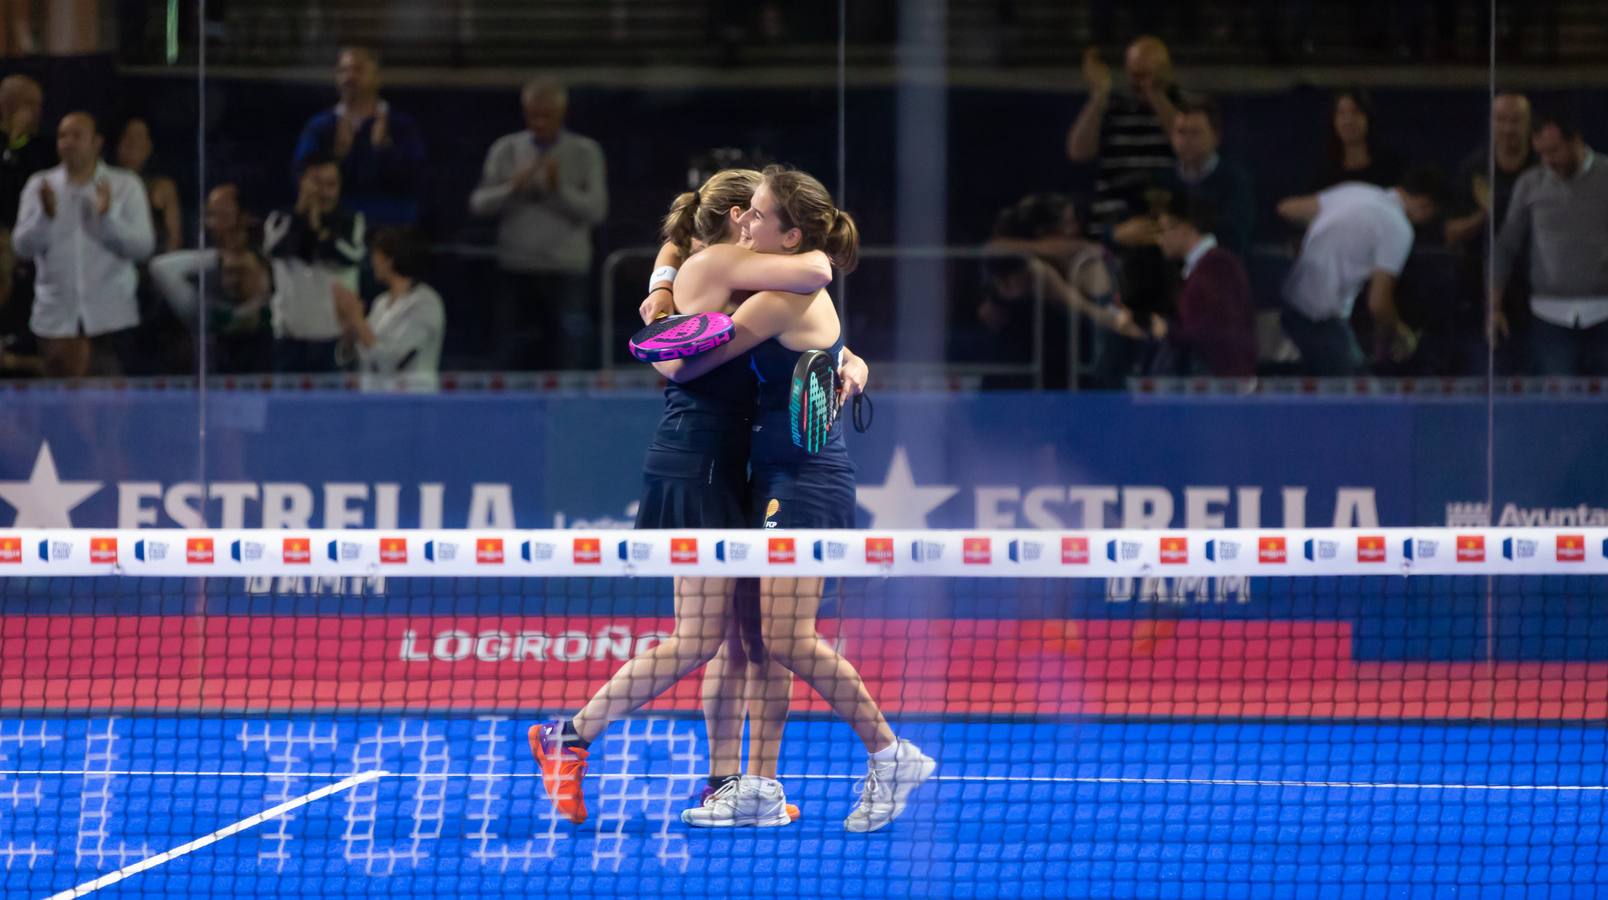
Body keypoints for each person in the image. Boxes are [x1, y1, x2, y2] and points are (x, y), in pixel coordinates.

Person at [529, 168, 871, 830]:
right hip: (700, 462)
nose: (755, 222)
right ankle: (568, 736)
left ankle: (724, 786)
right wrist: (665, 326)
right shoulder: (723, 263)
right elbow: (812, 279)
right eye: (754, 212)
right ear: (739, 216)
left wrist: (850, 365)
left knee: (745, 642)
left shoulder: (730, 272)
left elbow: (803, 325)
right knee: (701, 636)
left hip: (738, 468)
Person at [650, 166, 937, 833]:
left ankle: (892, 753)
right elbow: (830, 338)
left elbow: (688, 358)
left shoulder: (784, 291)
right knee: (757, 637)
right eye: (743, 211)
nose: (745, 224)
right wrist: (663, 277)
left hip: (803, 476)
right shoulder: (774, 279)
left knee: (784, 636)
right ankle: (759, 785)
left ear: (790, 232)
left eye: (757, 215)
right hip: (771, 474)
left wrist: (660, 330)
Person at [469, 78, 607, 371]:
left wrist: (559, 190)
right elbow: (478, 204)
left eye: (547, 115)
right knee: (509, 348)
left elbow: (596, 211)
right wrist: (512, 188)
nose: (540, 122)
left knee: (570, 347)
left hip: (567, 269)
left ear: (562, 112)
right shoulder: (505, 149)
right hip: (515, 266)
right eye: (534, 115)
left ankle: (573, 409)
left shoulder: (585, 151)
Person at [11, 112, 154, 377]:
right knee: (57, 411)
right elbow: (21, 248)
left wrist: (107, 218)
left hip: (111, 319)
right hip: (55, 322)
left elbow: (143, 247)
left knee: (111, 410)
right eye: (62, 136)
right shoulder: (39, 186)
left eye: (77, 135)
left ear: (97, 142)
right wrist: (45, 216)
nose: (68, 142)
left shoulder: (125, 185)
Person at [1277, 168, 1444, 374]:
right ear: (1425, 206)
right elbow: (1378, 303)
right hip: (1320, 317)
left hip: (1290, 305)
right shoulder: (1399, 229)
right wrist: (1402, 333)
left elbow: (1288, 209)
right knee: (1362, 395)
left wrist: (1320, 240)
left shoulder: (1354, 191)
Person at [1490, 113, 1608, 376]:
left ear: (1576, 141)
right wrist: (1493, 307)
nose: (1548, 161)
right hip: (1550, 316)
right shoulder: (1530, 183)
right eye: (1541, 153)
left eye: (1554, 151)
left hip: (1604, 310)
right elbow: (1505, 245)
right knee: (1559, 403)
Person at [1435, 93, 1535, 375]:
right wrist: (1486, 212)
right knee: (1488, 377)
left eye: (1516, 120)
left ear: (1528, 124)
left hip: (1537, 298)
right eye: (1501, 120)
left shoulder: (1542, 166)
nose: (1508, 128)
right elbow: (1451, 233)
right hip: (1479, 295)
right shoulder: (1475, 169)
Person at [292, 46, 426, 228]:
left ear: (377, 76)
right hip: (334, 223)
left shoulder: (400, 124)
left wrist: (384, 151)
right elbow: (302, 176)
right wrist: (338, 155)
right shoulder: (320, 126)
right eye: (343, 70)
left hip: (390, 222)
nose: (350, 77)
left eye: (358, 69)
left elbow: (416, 179)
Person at [1066, 36, 1181, 237]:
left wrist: (1156, 95)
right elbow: (1078, 152)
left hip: (1165, 217)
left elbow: (1186, 144)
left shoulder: (1182, 107)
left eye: (1147, 74)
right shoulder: (1112, 107)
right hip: (1113, 219)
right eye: (1135, 75)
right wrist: (1099, 94)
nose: (1141, 83)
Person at [263, 154, 364, 372]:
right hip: (289, 340)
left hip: (334, 339)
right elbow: (275, 250)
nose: (324, 192)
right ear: (302, 183)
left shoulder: (351, 220)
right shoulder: (280, 219)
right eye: (317, 183)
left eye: (331, 184)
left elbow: (348, 257)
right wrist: (302, 213)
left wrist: (318, 226)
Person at [1142, 194, 1256, 376]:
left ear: (1185, 228)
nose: (1159, 240)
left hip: (1220, 383)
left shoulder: (1218, 265)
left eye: (1163, 230)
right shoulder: (1200, 267)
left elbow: (1219, 330)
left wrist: (1168, 331)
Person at [332, 225, 444, 389]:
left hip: (412, 406)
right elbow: (363, 358)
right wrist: (350, 330)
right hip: (374, 405)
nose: (372, 261)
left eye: (376, 255)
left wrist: (359, 322)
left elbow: (392, 362)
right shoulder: (381, 303)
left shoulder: (426, 303)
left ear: (389, 260)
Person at [1310, 88, 1404, 191]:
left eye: (1355, 112)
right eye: (1341, 113)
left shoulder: (1391, 165)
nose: (1348, 121)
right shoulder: (1323, 170)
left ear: (1368, 118)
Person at [114, 117, 181, 254]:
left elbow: (174, 238)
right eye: (127, 136)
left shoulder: (163, 186)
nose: (132, 143)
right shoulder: (105, 183)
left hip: (151, 264)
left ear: (149, 146)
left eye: (138, 137)